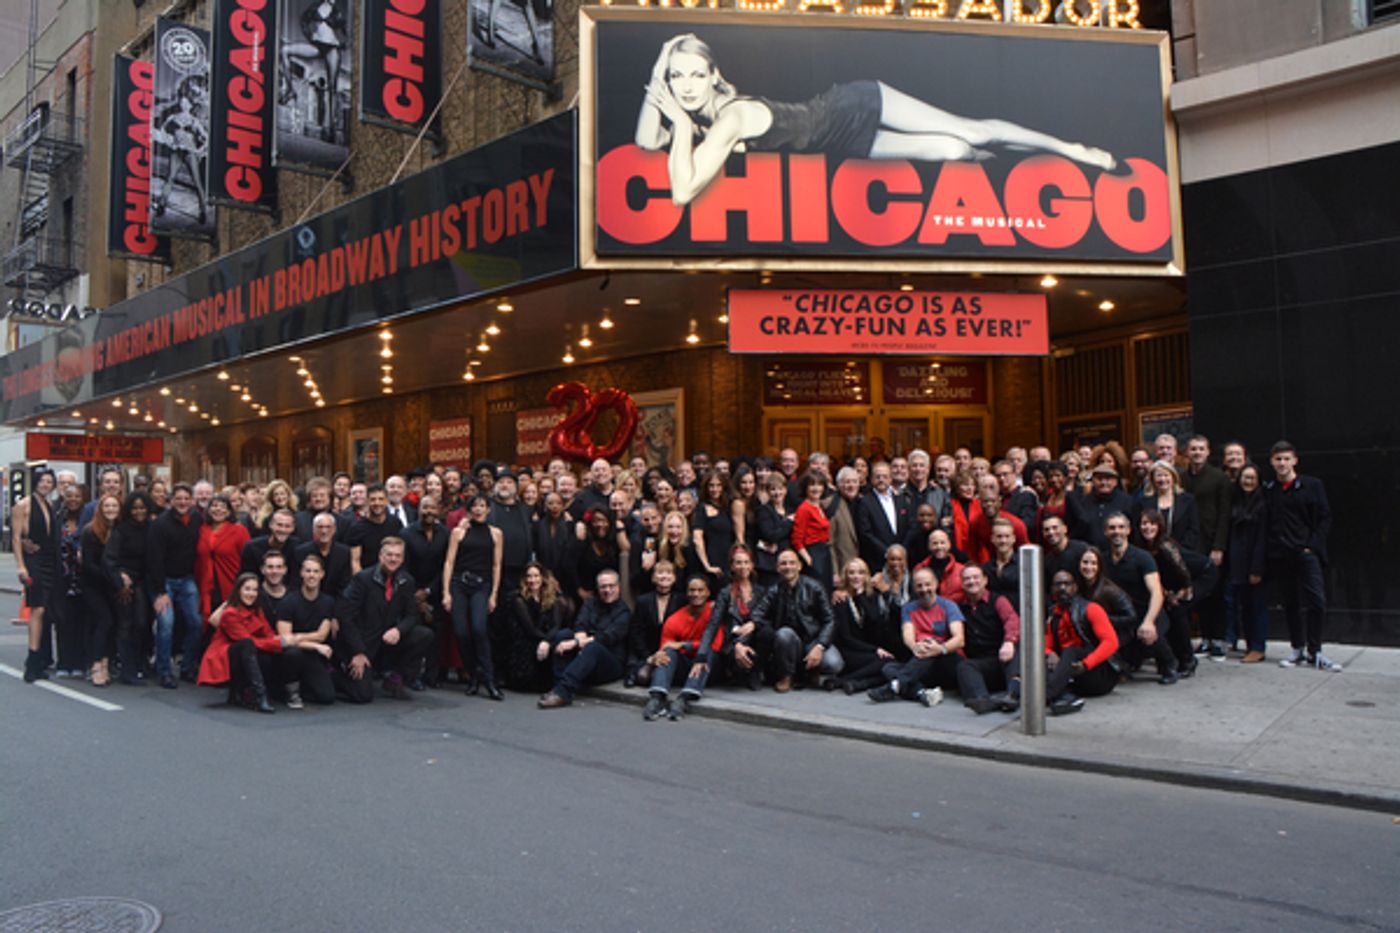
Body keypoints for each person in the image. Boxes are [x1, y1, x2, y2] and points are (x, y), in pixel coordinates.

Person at [636, 32, 1114, 208]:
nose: (686, 86)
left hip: (851, 106)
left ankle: (1072, 149)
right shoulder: (696, 114)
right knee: (955, 151)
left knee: (970, 129)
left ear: (714, 75)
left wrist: (678, 123)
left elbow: (682, 191)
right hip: (842, 143)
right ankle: (1002, 156)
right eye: (676, 77)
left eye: (696, 74)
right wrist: (659, 73)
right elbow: (644, 140)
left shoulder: (729, 117)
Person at [1263, 441, 1339, 671]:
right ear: (1272, 462)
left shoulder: (1312, 485)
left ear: (1295, 460)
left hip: (1306, 554)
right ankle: (1297, 648)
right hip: (1281, 556)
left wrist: (1311, 546)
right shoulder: (1269, 490)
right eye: (1278, 459)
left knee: (1317, 601)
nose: (1282, 463)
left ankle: (1315, 651)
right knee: (1290, 604)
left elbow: (1325, 517)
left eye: (1286, 459)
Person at [334, 537, 434, 702]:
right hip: (362, 642)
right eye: (389, 555)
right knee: (362, 696)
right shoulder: (363, 580)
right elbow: (346, 618)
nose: (393, 559)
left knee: (424, 635)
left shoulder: (406, 581)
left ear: (402, 559)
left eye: (397, 556)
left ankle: (395, 677)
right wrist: (357, 652)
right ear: (380, 556)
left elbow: (411, 615)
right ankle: (336, 676)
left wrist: (398, 630)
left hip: (387, 640)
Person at [868, 567, 964, 706]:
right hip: (922, 663)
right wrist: (914, 646)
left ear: (936, 584)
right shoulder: (909, 608)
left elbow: (959, 639)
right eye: (919, 586)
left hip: (947, 659)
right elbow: (907, 634)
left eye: (927, 584)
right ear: (914, 588)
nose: (924, 589)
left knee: (931, 643)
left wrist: (940, 648)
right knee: (888, 669)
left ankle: (895, 686)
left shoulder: (949, 606)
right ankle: (922, 694)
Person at [1102, 513, 1178, 684]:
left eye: (1121, 527)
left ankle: (1169, 664)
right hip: (1124, 615)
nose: (1117, 532)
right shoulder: (1103, 559)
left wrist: (1149, 621)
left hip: (1149, 611)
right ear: (1105, 532)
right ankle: (1128, 662)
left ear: (1128, 530)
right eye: (1112, 528)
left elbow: (1156, 592)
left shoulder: (1142, 557)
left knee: (1149, 635)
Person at [538, 569, 632, 708]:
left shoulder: (624, 612)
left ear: (618, 587)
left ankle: (563, 692)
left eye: (611, 586)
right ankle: (558, 687)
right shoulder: (591, 603)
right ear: (598, 588)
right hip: (585, 654)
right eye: (603, 587)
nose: (607, 590)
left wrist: (577, 643)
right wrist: (579, 642)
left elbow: (606, 638)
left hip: (610, 663)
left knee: (592, 647)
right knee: (564, 634)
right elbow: (580, 624)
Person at [752, 549, 841, 692]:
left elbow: (830, 619)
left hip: (814, 639)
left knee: (834, 663)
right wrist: (752, 623)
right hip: (789, 643)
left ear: (799, 566)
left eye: (792, 563)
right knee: (783, 634)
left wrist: (820, 646)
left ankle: (811, 672)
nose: (788, 567)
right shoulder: (773, 590)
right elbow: (758, 613)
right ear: (777, 568)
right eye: (783, 564)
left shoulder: (815, 587)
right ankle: (787, 676)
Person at [442, 494, 504, 700]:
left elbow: (496, 565)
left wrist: (494, 594)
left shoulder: (495, 534)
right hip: (459, 583)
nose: (478, 510)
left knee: (479, 628)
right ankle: (472, 674)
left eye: (482, 506)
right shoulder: (458, 532)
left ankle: (489, 678)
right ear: (469, 510)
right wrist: (446, 592)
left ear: (488, 510)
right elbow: (449, 562)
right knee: (460, 632)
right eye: (475, 506)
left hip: (482, 585)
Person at [146, 483, 205, 688]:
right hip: (164, 581)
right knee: (166, 625)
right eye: (178, 498)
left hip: (187, 579)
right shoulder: (160, 524)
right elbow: (154, 559)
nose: (182, 502)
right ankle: (164, 671)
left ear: (192, 501)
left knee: (197, 623)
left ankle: (188, 667)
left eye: (186, 499)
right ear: (171, 501)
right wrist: (161, 592)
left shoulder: (197, 519)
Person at [198, 573, 283, 714]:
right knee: (248, 645)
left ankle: (242, 691)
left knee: (265, 655)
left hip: (246, 651)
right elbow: (245, 639)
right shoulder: (230, 613)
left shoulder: (257, 611)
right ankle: (260, 694)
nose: (251, 593)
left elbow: (269, 634)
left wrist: (275, 642)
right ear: (238, 590)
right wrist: (278, 643)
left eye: (255, 590)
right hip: (224, 656)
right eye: (247, 589)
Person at [641, 574, 722, 721]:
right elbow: (665, 647)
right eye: (692, 590)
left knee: (707, 652)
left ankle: (684, 698)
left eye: (700, 590)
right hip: (684, 667)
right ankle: (657, 698)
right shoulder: (675, 619)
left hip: (708, 668)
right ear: (686, 593)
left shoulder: (714, 614)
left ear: (708, 593)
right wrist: (661, 654)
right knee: (668, 652)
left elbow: (716, 645)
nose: (695, 594)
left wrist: (685, 645)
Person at [1043, 570, 1121, 714]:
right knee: (1042, 660)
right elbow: (1046, 644)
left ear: (1075, 587)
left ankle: (1046, 695)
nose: (1062, 588)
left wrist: (1086, 664)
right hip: (1069, 673)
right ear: (1052, 589)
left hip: (1097, 673)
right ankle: (1065, 698)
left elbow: (1111, 642)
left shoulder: (1091, 609)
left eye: (1067, 584)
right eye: (1058, 584)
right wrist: (1050, 653)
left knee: (1071, 650)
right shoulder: (1053, 614)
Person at [1136, 509, 1200, 677]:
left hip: (1182, 585)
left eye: (1152, 523)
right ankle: (1176, 659)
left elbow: (1181, 570)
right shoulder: (1143, 546)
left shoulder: (1165, 545)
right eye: (1144, 523)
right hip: (1166, 588)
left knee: (1179, 619)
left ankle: (1188, 660)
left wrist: (1182, 592)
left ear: (1159, 526)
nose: (1147, 527)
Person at [697, 544, 769, 691]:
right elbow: (713, 625)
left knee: (767, 632)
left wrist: (754, 624)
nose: (743, 566)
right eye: (738, 562)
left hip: (756, 640)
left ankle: (756, 671)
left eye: (746, 562)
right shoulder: (725, 593)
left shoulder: (761, 591)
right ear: (732, 567)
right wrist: (701, 656)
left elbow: (767, 619)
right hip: (733, 643)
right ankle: (737, 673)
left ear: (752, 565)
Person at [272, 552, 337, 707]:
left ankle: (305, 686)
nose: (311, 575)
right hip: (290, 656)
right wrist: (315, 644)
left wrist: (298, 637)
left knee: (327, 697)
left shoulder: (328, 602)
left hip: (312, 657)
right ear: (301, 573)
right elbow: (285, 640)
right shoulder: (288, 602)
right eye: (308, 571)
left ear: (322, 574)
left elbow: (322, 635)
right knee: (292, 653)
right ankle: (291, 691)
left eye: (315, 571)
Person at [830, 558, 903, 694]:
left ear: (866, 576)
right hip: (849, 650)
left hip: (867, 648)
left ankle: (856, 684)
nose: (856, 576)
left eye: (861, 573)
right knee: (885, 663)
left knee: (890, 666)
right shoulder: (841, 599)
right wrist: (875, 650)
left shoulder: (871, 596)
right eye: (851, 573)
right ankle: (842, 680)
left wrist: (861, 595)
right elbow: (846, 638)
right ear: (846, 576)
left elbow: (874, 621)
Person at [956, 564, 1019, 714]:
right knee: (964, 666)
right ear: (962, 583)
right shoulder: (960, 607)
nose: (972, 581)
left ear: (985, 580)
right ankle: (983, 700)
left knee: (1018, 650)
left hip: (1004, 657)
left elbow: (1013, 620)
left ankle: (1013, 696)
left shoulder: (998, 600)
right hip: (984, 663)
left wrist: (1009, 641)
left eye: (976, 577)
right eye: (967, 579)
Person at [104, 492, 154, 685]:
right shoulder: (121, 530)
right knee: (126, 624)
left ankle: (141, 663)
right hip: (124, 581)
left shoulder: (152, 528)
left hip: (145, 581)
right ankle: (127, 668)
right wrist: (119, 580)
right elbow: (109, 559)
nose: (138, 512)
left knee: (143, 624)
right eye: (134, 508)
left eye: (142, 508)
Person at [13, 469, 58, 682]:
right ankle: (32, 662)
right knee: (38, 608)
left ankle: (37, 659)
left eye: (50, 482)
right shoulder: (24, 504)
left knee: (45, 609)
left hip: (50, 560)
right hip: (34, 561)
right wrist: (21, 566)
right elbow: (15, 537)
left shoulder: (48, 505)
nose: (46, 485)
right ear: (35, 482)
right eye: (42, 481)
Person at [79, 494, 123, 687]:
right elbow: (88, 565)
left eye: (114, 506)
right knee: (104, 620)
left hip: (113, 587)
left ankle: (106, 662)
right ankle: (95, 664)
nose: (111, 510)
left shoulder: (121, 530)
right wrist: (113, 578)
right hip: (93, 585)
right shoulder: (90, 531)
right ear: (100, 508)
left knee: (113, 624)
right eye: (107, 506)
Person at [1228, 463, 1270, 663]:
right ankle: (1249, 645)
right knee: (1244, 606)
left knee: (1257, 606)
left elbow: (1262, 538)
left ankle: (1258, 646)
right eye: (1245, 477)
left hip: (1255, 561)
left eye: (1252, 478)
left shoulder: (1263, 503)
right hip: (1237, 562)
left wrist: (1257, 567)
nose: (1248, 481)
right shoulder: (1236, 500)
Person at [506, 561, 565, 693]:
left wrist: (546, 642)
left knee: (562, 638)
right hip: (527, 642)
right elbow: (530, 630)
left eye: (536, 576)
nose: (532, 580)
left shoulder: (551, 597)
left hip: (545, 640)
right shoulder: (519, 599)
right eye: (529, 576)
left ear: (542, 577)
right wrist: (544, 641)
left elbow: (556, 625)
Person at [626, 560, 683, 687]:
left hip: (669, 652)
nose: (664, 576)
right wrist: (649, 656)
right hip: (647, 651)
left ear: (674, 578)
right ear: (653, 578)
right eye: (660, 572)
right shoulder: (643, 601)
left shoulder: (681, 600)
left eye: (669, 572)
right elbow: (636, 631)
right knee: (643, 677)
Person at [196, 495, 250, 622]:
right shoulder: (201, 530)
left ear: (229, 511)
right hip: (205, 584)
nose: (218, 509)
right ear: (208, 510)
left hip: (230, 582)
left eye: (223, 507)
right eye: (214, 506)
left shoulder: (239, 531)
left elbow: (247, 558)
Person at [1133, 460, 1202, 553]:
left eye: (1166, 475)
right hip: (1152, 554)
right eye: (1159, 475)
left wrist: (1178, 551)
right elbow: (1138, 529)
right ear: (1152, 479)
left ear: (1173, 477)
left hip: (1182, 553)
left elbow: (1193, 529)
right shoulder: (1143, 502)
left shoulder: (1188, 500)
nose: (1163, 479)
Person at [856, 461, 911, 574]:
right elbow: (865, 533)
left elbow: (909, 525)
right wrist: (887, 552)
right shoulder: (865, 502)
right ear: (871, 479)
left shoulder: (901, 499)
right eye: (878, 477)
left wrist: (901, 551)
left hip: (901, 559)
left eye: (885, 476)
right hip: (877, 560)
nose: (881, 480)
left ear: (891, 479)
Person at [1068, 463, 1134, 550]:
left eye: (1108, 479)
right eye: (1099, 479)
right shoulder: (1084, 502)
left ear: (1115, 482)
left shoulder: (1127, 502)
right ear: (1093, 481)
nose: (1103, 482)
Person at [965, 474, 1028, 565]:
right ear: (979, 502)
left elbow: (1025, 551)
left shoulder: (1016, 524)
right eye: (985, 501)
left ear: (999, 501)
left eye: (993, 501)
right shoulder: (976, 523)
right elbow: (973, 552)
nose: (989, 504)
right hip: (992, 565)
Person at [791, 473, 834, 594]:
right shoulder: (804, 508)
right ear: (806, 488)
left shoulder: (819, 506)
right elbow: (797, 539)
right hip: (813, 553)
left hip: (824, 552)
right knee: (818, 591)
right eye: (812, 485)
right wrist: (809, 559)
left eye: (820, 485)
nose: (816, 488)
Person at [294, 512, 353, 598]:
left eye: (328, 527)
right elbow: (296, 583)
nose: (324, 531)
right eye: (320, 527)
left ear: (334, 530)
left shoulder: (344, 552)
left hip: (335, 602)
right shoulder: (301, 552)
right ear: (313, 530)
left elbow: (345, 584)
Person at [346, 484, 403, 574]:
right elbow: (355, 561)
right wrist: (362, 582)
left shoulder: (396, 523)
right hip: (367, 578)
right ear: (367, 501)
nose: (377, 503)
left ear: (387, 501)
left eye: (381, 499)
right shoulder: (357, 528)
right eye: (373, 499)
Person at [692, 470, 735, 583]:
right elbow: (697, 538)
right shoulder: (701, 508)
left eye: (718, 485)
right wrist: (707, 565)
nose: (715, 489)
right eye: (711, 485)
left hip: (729, 560)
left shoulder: (729, 507)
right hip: (711, 560)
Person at [753, 471, 794, 587]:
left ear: (785, 490)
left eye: (780, 489)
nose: (777, 493)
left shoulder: (790, 510)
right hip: (770, 565)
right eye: (773, 489)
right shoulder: (763, 510)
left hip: (789, 564)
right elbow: (770, 535)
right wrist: (789, 522)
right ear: (767, 491)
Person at [241, 508, 302, 577]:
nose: (283, 530)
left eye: (287, 526)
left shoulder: (297, 547)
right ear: (270, 525)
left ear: (293, 528)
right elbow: (246, 578)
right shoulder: (252, 548)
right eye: (279, 525)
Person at [1040, 514, 1088, 591]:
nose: (1051, 532)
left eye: (1055, 527)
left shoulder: (1082, 550)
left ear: (1065, 529)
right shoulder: (1047, 561)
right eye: (1046, 530)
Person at [993, 459, 1038, 530]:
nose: (1001, 478)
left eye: (1005, 474)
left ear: (1014, 475)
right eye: (998, 476)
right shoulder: (997, 498)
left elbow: (1027, 523)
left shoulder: (1025, 495)